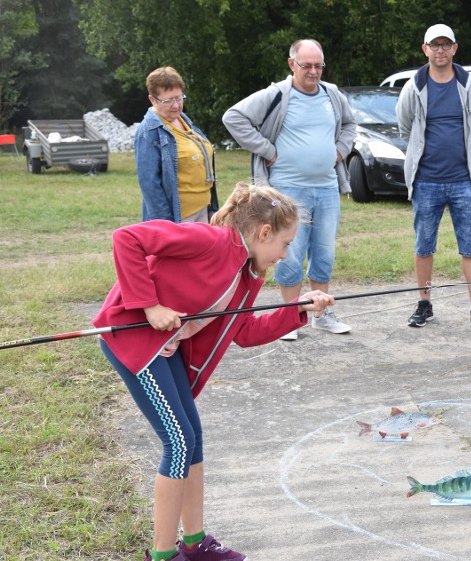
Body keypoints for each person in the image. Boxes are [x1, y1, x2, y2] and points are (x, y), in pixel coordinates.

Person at [93, 183, 335, 561]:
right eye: (285, 244)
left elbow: (244, 332)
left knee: (193, 439)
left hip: (166, 348)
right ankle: (162, 555)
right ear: (263, 233)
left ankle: (194, 544)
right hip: (136, 343)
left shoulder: (247, 274)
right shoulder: (208, 240)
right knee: (177, 442)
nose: (286, 254)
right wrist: (149, 306)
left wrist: (300, 309)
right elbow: (128, 238)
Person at [222, 39, 356, 340]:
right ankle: (289, 317)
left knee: (324, 253)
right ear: (291, 64)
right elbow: (233, 117)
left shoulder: (332, 95)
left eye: (318, 65)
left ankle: (321, 314)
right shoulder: (276, 95)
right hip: (287, 188)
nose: (313, 71)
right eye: (306, 65)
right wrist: (267, 149)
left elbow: (350, 125)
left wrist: (339, 151)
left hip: (326, 187)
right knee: (290, 253)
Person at [396, 23, 471, 332]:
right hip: (426, 180)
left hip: (463, 181)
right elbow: (404, 127)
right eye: (434, 45)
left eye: (445, 44)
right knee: (424, 245)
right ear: (425, 49)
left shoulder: (469, 86)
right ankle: (424, 303)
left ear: (455, 48)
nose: (440, 50)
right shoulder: (414, 86)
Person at [135, 66, 217, 223]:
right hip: (180, 219)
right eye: (168, 100)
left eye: (179, 98)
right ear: (152, 100)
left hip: (203, 211)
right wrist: (167, 227)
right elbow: (150, 186)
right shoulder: (148, 132)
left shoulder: (184, 120)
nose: (175, 105)